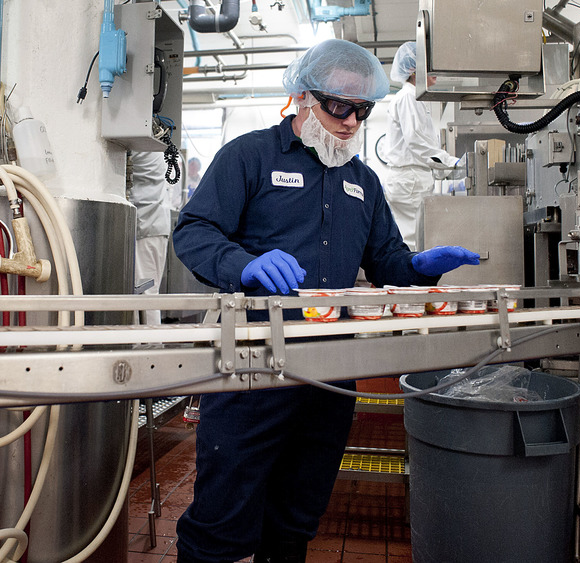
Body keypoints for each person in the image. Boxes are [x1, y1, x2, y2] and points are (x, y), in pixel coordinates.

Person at [172, 39, 479, 563]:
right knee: (223, 516)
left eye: (363, 110)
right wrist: (243, 265)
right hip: (251, 364)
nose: (351, 123)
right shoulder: (251, 156)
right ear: (304, 96)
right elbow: (194, 231)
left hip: (329, 371)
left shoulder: (363, 182)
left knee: (297, 514)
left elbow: (387, 263)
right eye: (340, 107)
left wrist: (417, 266)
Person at [378, 41, 464, 251]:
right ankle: (408, 283)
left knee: (413, 239)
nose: (435, 71)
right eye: (429, 65)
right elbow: (417, 142)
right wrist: (453, 164)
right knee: (413, 242)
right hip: (410, 181)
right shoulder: (409, 97)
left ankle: (407, 281)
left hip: (411, 179)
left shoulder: (414, 98)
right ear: (413, 70)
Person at [128, 150, 173, 325]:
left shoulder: (139, 143)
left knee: (145, 293)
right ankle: (145, 344)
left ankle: (150, 347)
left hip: (147, 226)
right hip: (152, 224)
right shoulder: (150, 144)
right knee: (146, 293)